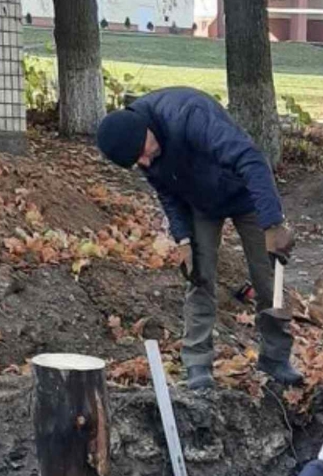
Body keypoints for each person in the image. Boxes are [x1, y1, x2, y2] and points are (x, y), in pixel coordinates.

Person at [96, 87, 302, 391]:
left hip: (244, 193)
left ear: (147, 130)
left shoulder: (190, 116)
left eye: (144, 151)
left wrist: (272, 223)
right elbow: (167, 192)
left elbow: (251, 159)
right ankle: (197, 363)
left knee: (267, 277)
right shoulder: (142, 151)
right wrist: (182, 239)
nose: (144, 162)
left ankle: (275, 357)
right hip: (200, 202)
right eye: (137, 160)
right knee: (198, 276)